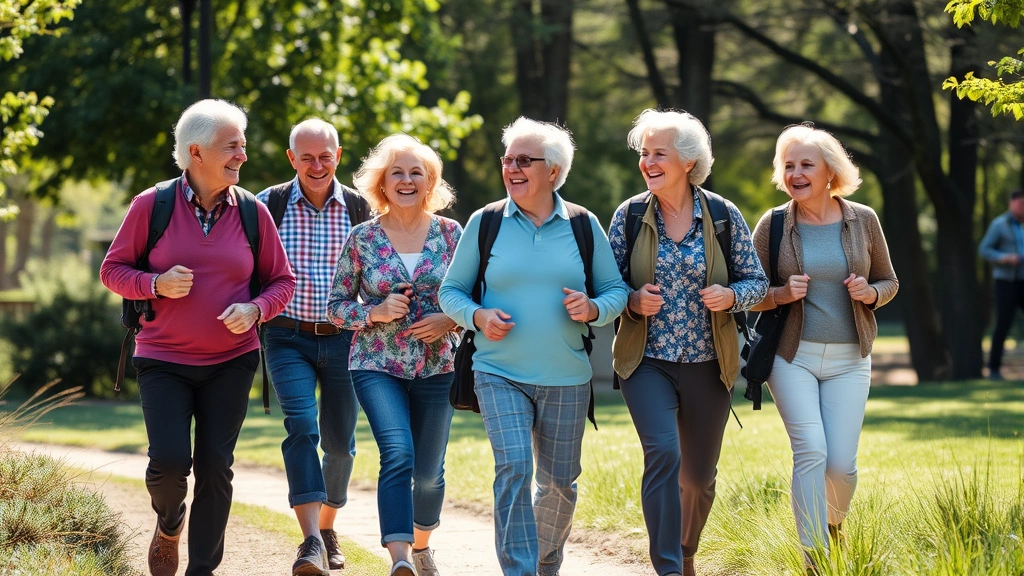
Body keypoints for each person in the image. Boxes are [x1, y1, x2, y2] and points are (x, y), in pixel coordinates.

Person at [100, 99, 296, 576]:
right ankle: (170, 524)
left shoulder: (253, 212)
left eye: (243, 146)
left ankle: (202, 569)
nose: (242, 156)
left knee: (215, 466)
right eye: (232, 147)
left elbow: (282, 282)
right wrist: (154, 284)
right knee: (169, 464)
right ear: (196, 152)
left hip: (231, 361)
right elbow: (112, 270)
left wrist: (255, 309)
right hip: (163, 358)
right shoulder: (153, 205)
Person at [439, 117, 629, 576]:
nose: (512, 168)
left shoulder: (583, 225)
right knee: (515, 469)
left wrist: (593, 308)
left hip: (566, 376)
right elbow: (452, 292)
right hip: (497, 370)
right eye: (508, 159)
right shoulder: (485, 222)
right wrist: (479, 316)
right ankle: (519, 569)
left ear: (555, 171)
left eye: (525, 160)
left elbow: (615, 291)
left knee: (560, 483)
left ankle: (545, 561)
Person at [607, 109, 768, 576]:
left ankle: (686, 549)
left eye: (659, 153)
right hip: (646, 361)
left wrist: (730, 295)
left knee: (697, 479)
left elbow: (757, 284)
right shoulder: (631, 214)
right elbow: (606, 286)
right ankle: (669, 568)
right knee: (663, 455)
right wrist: (633, 300)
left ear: (688, 161)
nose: (648, 162)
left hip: (708, 362)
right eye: (644, 153)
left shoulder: (721, 215)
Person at [750, 124, 898, 567]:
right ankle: (814, 557)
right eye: (789, 165)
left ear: (829, 171)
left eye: (806, 165)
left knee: (841, 467)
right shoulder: (773, 224)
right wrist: (779, 293)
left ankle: (834, 526)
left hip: (851, 358)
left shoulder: (863, 220)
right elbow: (749, 289)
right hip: (790, 356)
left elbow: (889, 281)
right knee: (811, 449)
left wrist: (870, 294)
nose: (796, 173)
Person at [326, 134, 461, 576]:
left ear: (430, 182)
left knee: (429, 473)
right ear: (381, 184)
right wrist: (375, 312)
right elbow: (336, 307)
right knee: (397, 452)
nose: (405, 180)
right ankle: (400, 558)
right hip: (376, 363)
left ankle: (422, 544)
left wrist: (449, 319)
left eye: (415, 173)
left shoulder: (451, 234)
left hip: (438, 365)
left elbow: (474, 297)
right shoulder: (362, 237)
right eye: (396, 173)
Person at [256, 119, 371, 575]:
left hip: (346, 338)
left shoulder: (363, 208)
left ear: (338, 155)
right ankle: (309, 543)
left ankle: (327, 526)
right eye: (307, 157)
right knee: (302, 426)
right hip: (285, 336)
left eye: (325, 156)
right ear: (292, 159)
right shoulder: (269, 204)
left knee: (341, 445)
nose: (317, 165)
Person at [978, 188, 1024, 380]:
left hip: (1023, 281)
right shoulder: (1000, 224)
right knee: (1003, 324)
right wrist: (1005, 258)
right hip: (1005, 282)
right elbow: (984, 249)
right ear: (1012, 203)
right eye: (1021, 204)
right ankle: (994, 369)